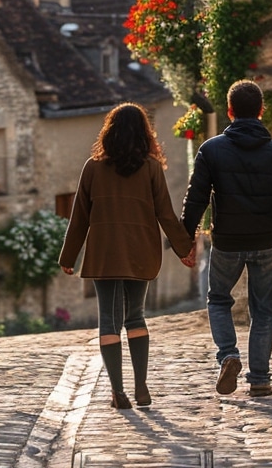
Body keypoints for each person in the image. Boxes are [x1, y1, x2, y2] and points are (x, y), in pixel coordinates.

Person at [59, 103, 196, 410]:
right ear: (144, 134)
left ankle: (118, 391)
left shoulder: (92, 167)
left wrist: (68, 256)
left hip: (104, 252)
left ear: (109, 133)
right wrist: (184, 249)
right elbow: (165, 214)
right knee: (136, 317)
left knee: (108, 320)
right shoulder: (150, 168)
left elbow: (79, 216)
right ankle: (141, 386)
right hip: (140, 250)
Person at [181, 79, 272, 398]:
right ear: (261, 111)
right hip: (265, 241)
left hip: (227, 241)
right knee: (263, 309)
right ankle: (259, 378)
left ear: (229, 111)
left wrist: (185, 239)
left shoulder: (212, 150)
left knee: (219, 299)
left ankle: (228, 355)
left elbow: (196, 199)